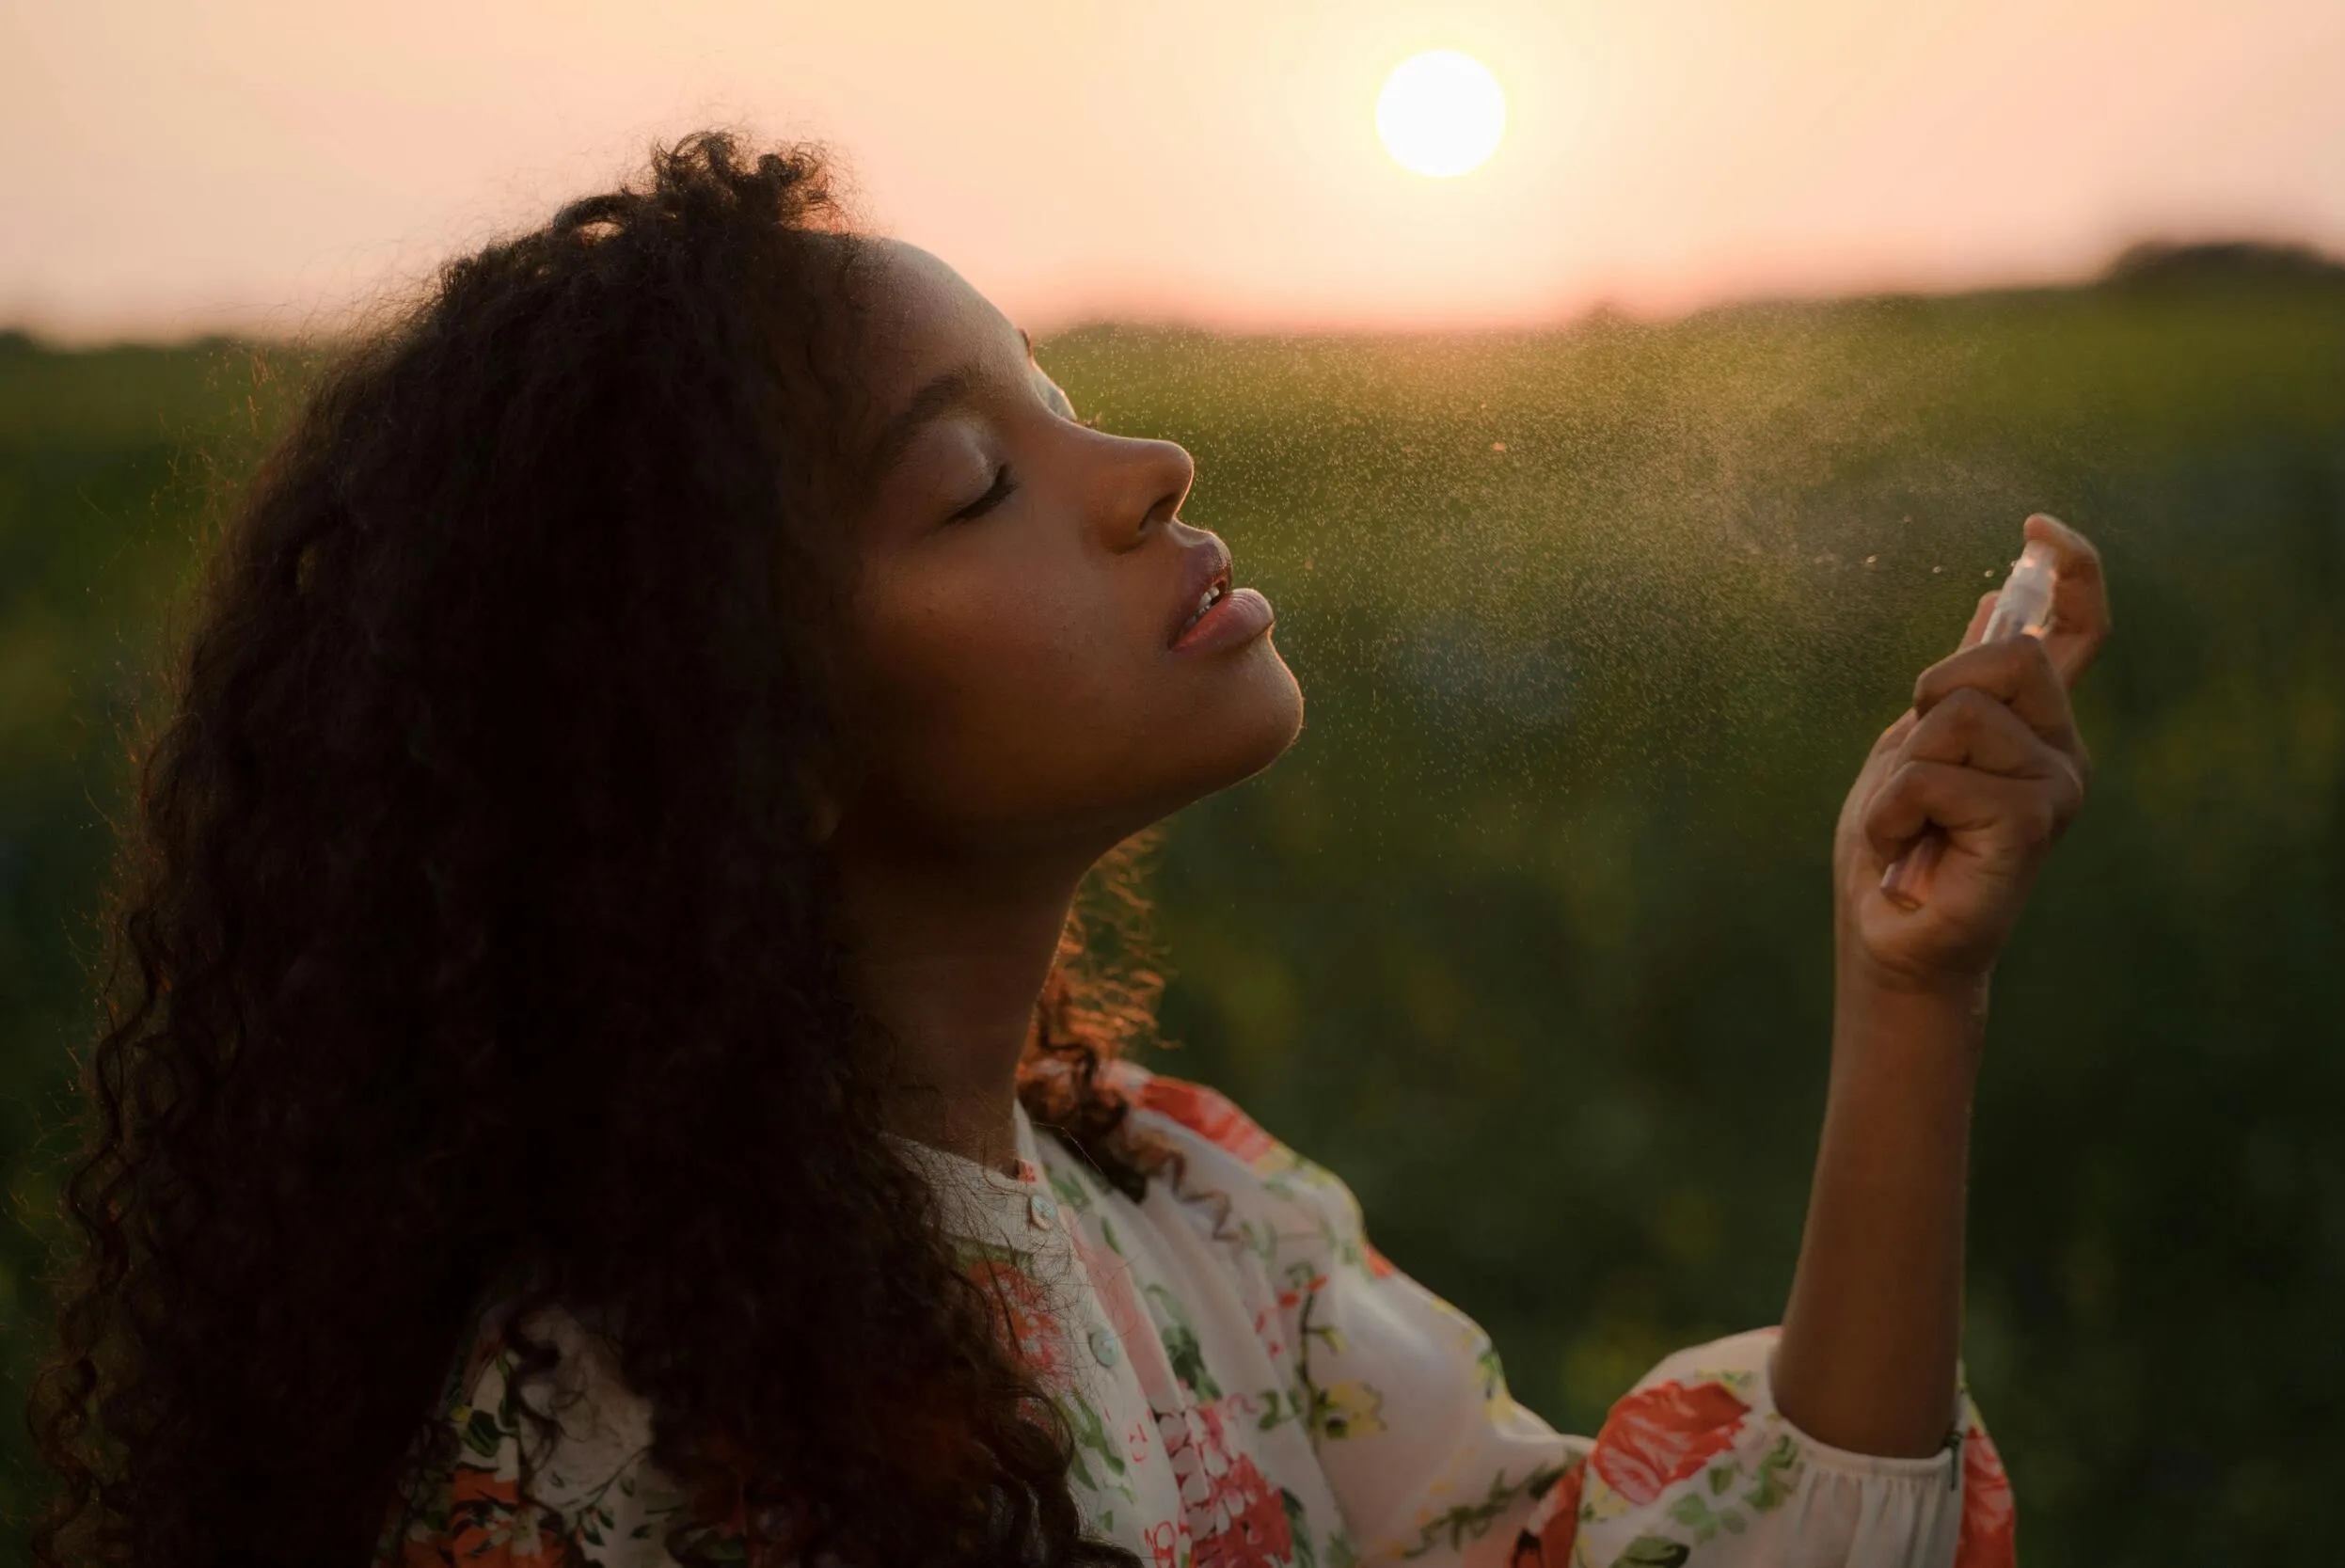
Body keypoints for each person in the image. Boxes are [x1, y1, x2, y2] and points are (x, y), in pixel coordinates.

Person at [29, 132, 2105, 1568]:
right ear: (741, 742)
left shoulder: (1186, 1207)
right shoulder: (607, 1444)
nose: (1144, 467)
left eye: (1062, 395)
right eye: (968, 482)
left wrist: (1907, 990)